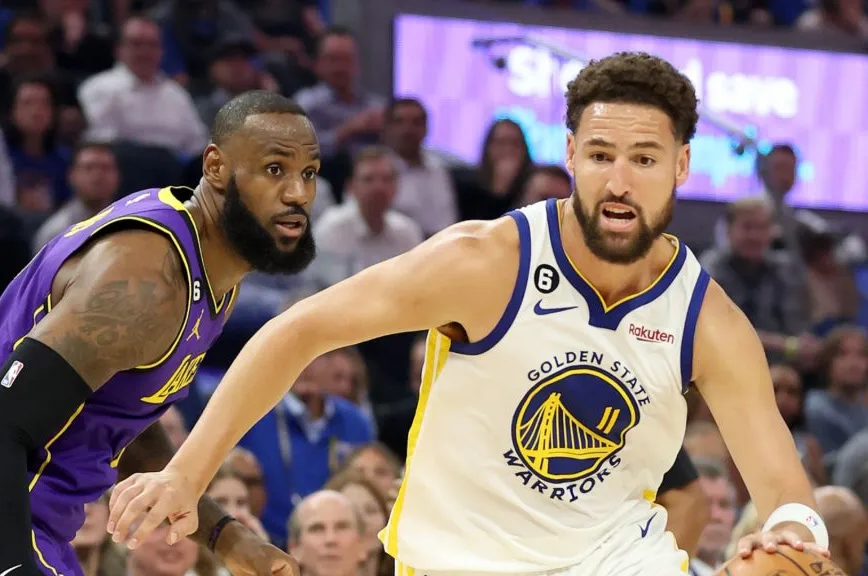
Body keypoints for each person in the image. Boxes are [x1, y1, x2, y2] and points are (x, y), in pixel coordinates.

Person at [108, 53, 832, 575]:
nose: (619, 179)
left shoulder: (708, 318)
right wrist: (186, 474)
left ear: (681, 167)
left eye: (644, 159)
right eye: (602, 153)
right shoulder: (490, 261)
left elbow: (785, 494)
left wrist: (791, 540)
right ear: (571, 155)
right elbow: (299, 330)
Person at [0, 90, 320, 576]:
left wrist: (227, 538)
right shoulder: (146, 278)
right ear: (215, 167)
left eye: (309, 174)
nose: (297, 193)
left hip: (30, 525)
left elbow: (123, 419)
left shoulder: (211, 274)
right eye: (276, 170)